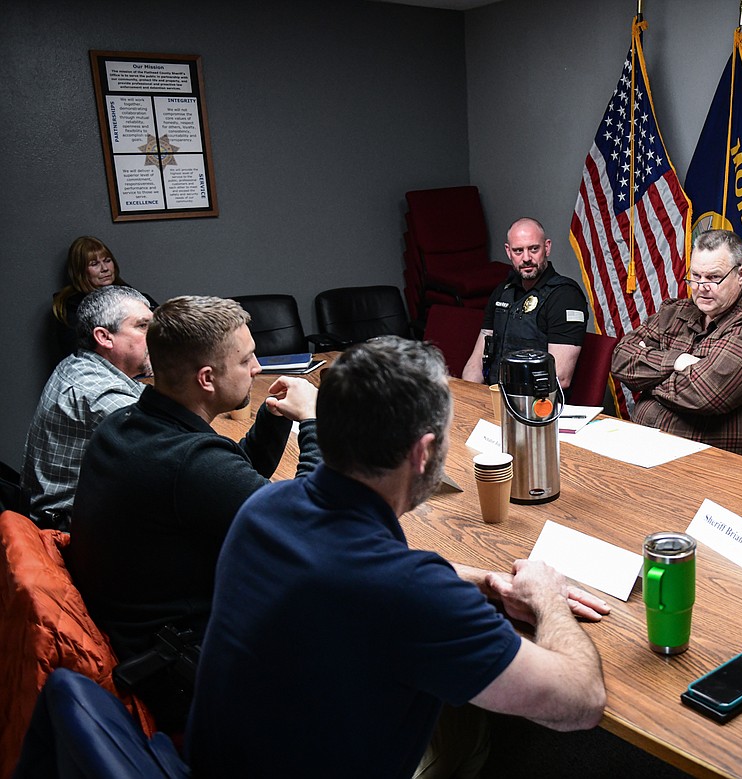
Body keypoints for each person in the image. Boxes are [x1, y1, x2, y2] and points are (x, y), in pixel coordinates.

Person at [188, 337, 608, 777]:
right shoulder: (409, 592)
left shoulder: (263, 510)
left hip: (223, 761)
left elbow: (365, 570)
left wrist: (485, 582)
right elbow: (581, 702)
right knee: (473, 726)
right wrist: (548, 596)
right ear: (423, 452)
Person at [66, 295, 322, 732]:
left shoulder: (130, 423)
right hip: (194, 679)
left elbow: (218, 488)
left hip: (145, 643)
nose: (258, 369)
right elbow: (310, 525)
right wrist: (315, 422)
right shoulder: (188, 462)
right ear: (207, 378)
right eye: (246, 360)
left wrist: (274, 420)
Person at [610, 229, 742, 462]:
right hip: (648, 450)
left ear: (741, 274)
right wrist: (677, 362)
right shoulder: (675, 311)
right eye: (696, 276)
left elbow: (705, 394)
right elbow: (620, 358)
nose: (701, 286)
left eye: (714, 278)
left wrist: (648, 378)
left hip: (719, 467)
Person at [22, 286, 153, 531]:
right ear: (104, 337)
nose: (156, 335)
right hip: (68, 532)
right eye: (142, 326)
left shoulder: (79, 363)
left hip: (63, 514)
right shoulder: (100, 394)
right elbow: (175, 447)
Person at [461, 217, 589, 391]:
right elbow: (476, 362)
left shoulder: (565, 296)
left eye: (534, 249)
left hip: (538, 404)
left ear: (547, 247)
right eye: (518, 251)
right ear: (508, 252)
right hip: (495, 397)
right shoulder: (503, 292)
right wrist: (469, 395)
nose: (526, 258)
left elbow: (560, 376)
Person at [51, 236, 156, 354]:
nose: (105, 268)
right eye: (94, 264)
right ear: (80, 271)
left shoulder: (135, 296)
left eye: (107, 260)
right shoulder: (70, 309)